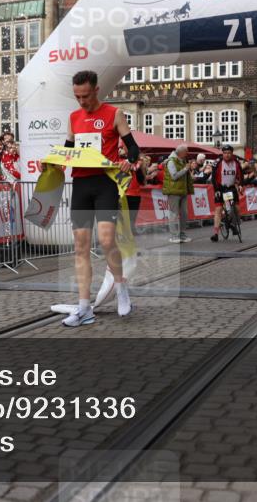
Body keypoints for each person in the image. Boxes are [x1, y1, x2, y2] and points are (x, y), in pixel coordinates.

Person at [63, 70, 138, 327]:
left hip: (106, 183)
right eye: (77, 97)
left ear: (96, 90)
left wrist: (129, 161)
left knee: (106, 240)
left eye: (85, 95)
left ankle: (121, 287)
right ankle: (85, 308)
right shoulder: (73, 117)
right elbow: (67, 151)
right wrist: (52, 165)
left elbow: (134, 148)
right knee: (81, 247)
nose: (81, 101)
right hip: (81, 184)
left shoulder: (113, 114)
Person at [210, 145, 244, 242]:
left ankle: (233, 223)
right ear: (222, 153)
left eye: (229, 153)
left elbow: (240, 175)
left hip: (231, 188)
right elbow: (213, 178)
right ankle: (216, 233)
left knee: (236, 209)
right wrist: (216, 190)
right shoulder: (217, 162)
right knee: (218, 209)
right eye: (225, 153)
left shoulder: (236, 162)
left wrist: (241, 185)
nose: (227, 155)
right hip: (220, 188)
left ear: (232, 153)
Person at [163, 143, 194, 244]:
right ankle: (174, 235)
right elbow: (174, 176)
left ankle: (182, 234)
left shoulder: (182, 160)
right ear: (181, 152)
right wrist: (185, 169)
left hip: (183, 191)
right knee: (174, 214)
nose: (187, 154)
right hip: (173, 191)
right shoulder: (171, 161)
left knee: (184, 213)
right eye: (186, 152)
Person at [124, 153, 149, 234]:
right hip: (129, 194)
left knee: (131, 215)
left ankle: (130, 231)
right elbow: (143, 182)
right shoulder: (126, 165)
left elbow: (142, 181)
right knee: (130, 216)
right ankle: (129, 231)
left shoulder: (136, 167)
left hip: (133, 194)